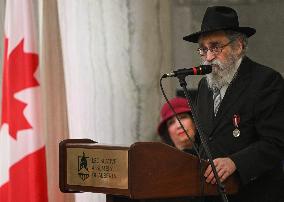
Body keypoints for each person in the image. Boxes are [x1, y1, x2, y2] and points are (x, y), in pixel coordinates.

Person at [183, 6, 284, 202]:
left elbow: (276, 142)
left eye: (215, 47)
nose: (208, 57)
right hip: (211, 195)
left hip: (253, 193)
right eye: (203, 49)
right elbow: (205, 140)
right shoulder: (204, 85)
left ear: (238, 46)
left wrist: (235, 162)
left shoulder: (265, 81)